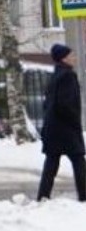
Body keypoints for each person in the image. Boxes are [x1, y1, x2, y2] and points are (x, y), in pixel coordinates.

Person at [38, 43, 86, 202]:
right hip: (66, 129)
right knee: (79, 161)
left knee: (51, 164)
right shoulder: (68, 76)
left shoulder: (55, 75)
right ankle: (84, 195)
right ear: (64, 58)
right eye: (72, 55)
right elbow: (64, 104)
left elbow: (47, 103)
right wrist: (75, 122)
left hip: (53, 128)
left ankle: (43, 196)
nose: (74, 57)